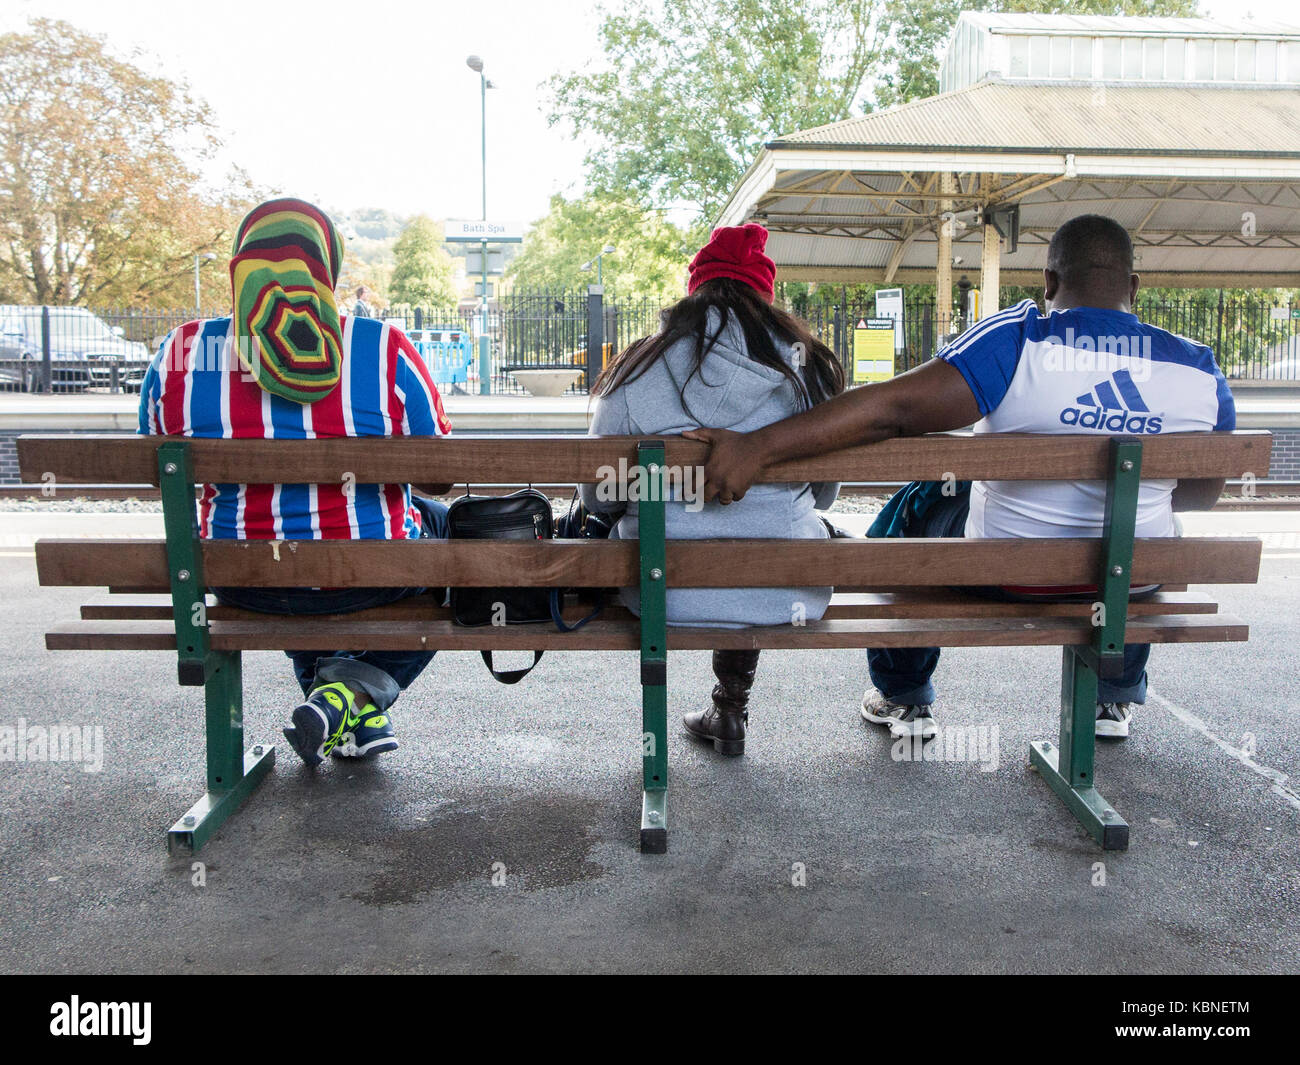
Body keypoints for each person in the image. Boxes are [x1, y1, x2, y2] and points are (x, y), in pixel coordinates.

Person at [685, 214, 1235, 741]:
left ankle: (906, 694)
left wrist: (757, 447)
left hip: (1011, 573)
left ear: (1049, 280)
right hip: (1133, 579)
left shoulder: (1021, 337)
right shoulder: (1198, 366)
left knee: (923, 496)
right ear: (1133, 285)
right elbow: (1203, 495)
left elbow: (892, 410)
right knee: (1137, 525)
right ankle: (1112, 695)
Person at [139, 198, 453, 766]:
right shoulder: (379, 346)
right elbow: (440, 472)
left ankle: (334, 708)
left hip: (239, 577)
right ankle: (350, 694)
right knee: (457, 550)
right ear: (325, 266)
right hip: (371, 575)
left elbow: (155, 473)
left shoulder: (183, 350)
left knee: (289, 554)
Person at [581, 224, 845, 756]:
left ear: (694, 291)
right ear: (765, 298)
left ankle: (705, 720)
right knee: (778, 536)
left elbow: (598, 498)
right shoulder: (809, 370)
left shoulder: (639, 366)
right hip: (784, 592)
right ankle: (730, 706)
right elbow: (823, 497)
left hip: (659, 594)